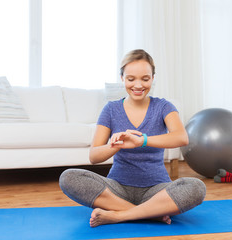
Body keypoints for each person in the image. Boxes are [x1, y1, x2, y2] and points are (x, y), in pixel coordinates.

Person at [59, 49, 206, 227]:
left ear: (152, 78)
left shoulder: (163, 106)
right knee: (68, 177)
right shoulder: (111, 109)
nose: (138, 85)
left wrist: (143, 140)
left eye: (145, 79)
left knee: (197, 188)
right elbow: (94, 156)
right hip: (117, 189)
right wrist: (117, 145)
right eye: (131, 79)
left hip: (156, 190)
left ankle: (120, 215)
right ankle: (150, 214)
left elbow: (181, 138)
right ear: (122, 78)